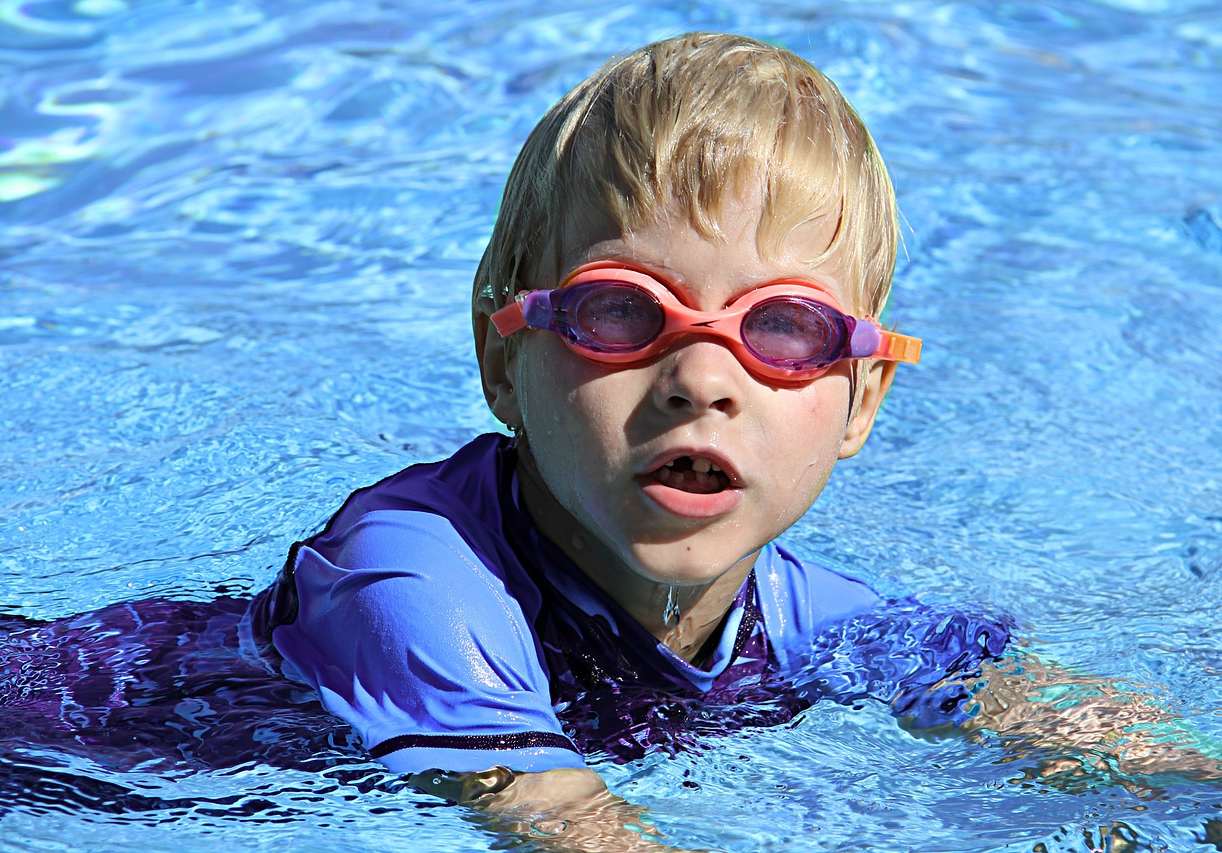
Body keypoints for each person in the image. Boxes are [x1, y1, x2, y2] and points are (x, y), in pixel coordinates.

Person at [249, 30, 1221, 850]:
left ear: (859, 401)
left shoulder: (810, 613)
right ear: (501, 357)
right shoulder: (408, 571)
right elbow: (553, 815)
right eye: (620, 312)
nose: (702, 381)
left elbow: (1097, 737)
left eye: (782, 330)